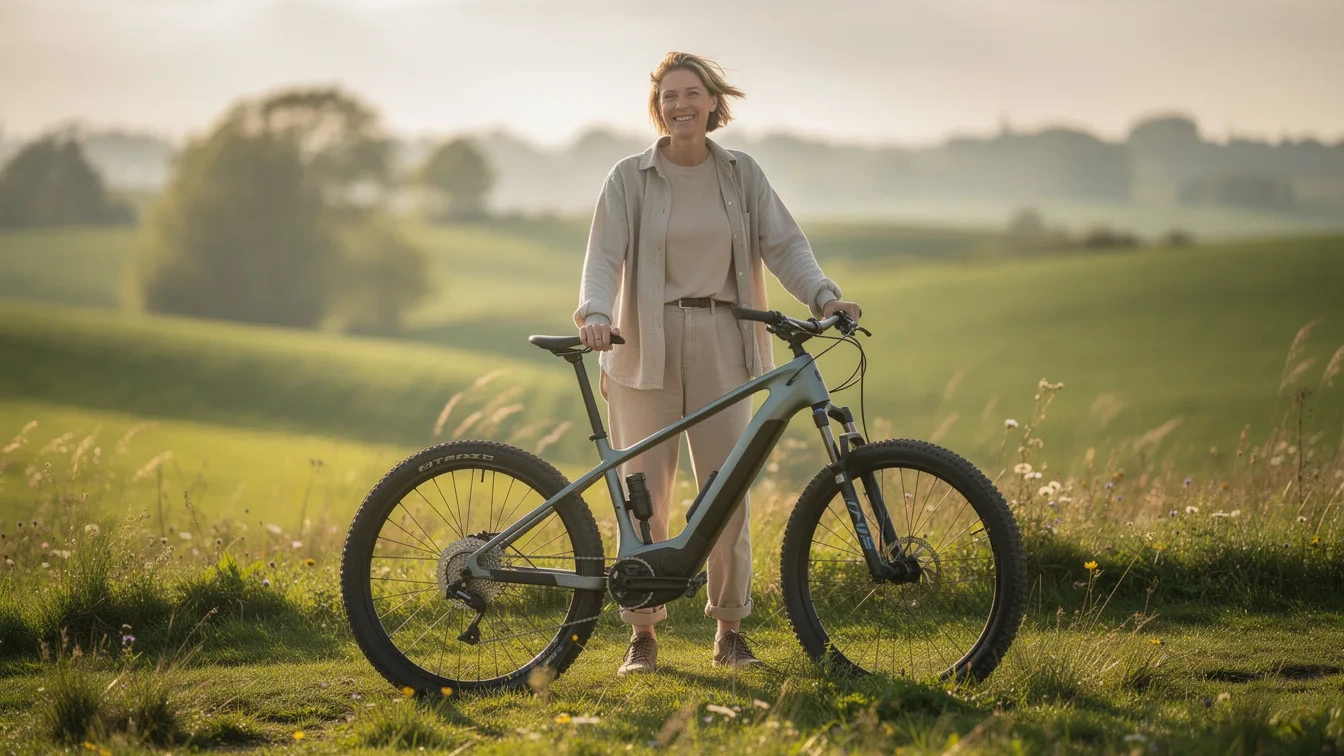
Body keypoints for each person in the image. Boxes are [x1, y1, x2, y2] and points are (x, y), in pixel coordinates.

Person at [574, 52, 862, 676]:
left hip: (726, 341)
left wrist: (823, 295)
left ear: (712, 102)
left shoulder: (741, 174)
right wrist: (594, 312)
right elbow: (603, 256)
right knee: (642, 495)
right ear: (658, 107)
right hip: (642, 344)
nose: (681, 105)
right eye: (669, 96)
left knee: (726, 492)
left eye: (692, 94)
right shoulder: (628, 177)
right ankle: (642, 637)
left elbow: (785, 245)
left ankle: (729, 631)